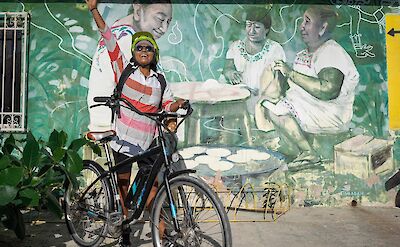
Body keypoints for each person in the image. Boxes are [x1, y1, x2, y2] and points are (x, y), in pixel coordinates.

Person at [85, 0, 185, 246]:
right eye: (138, 47)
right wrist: (94, 10)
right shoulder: (123, 69)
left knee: (152, 189)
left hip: (147, 141)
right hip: (123, 140)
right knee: (122, 186)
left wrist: (178, 105)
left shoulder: (159, 80)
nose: (143, 51)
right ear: (134, 52)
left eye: (147, 49)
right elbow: (108, 38)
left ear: (153, 54)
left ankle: (161, 237)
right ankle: (123, 230)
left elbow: (167, 103)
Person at [261, 6, 360, 164]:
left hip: (328, 113)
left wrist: (291, 73)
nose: (301, 26)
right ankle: (299, 148)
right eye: (302, 21)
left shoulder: (331, 52)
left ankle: (308, 152)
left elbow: (328, 90)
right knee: (270, 103)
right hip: (310, 108)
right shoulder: (305, 53)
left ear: (322, 28)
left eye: (307, 22)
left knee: (276, 110)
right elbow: (298, 85)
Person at [87, 0, 173, 131]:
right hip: (117, 127)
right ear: (138, 10)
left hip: (105, 121)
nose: (164, 28)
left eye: (168, 22)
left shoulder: (120, 31)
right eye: (160, 19)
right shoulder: (127, 41)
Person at [223, 6, 286, 117]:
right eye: (248, 25)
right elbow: (227, 68)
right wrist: (230, 73)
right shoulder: (236, 47)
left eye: (257, 27)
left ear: (266, 29)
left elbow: (279, 81)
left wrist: (261, 94)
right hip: (238, 96)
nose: (251, 31)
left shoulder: (275, 49)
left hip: (263, 98)